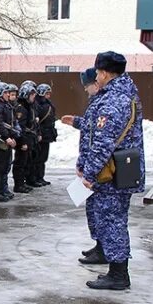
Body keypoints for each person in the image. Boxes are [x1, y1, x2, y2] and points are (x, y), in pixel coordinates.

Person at [75, 52, 145, 290]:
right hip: (120, 168)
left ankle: (118, 274)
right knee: (110, 219)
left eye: (97, 72)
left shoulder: (114, 100)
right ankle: (115, 267)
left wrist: (89, 174)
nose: (96, 76)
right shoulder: (124, 94)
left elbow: (104, 142)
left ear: (104, 73)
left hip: (112, 172)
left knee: (112, 220)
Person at [63, 68, 106, 264]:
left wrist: (87, 169)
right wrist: (76, 122)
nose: (86, 90)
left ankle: (104, 249)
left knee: (100, 210)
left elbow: (98, 140)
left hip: (97, 168)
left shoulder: (104, 104)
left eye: (87, 86)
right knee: (93, 208)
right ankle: (100, 246)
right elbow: (90, 128)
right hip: (91, 165)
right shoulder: (96, 102)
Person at [32, 83, 57, 186]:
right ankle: (36, 177)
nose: (48, 95)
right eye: (46, 93)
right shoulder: (37, 104)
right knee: (37, 158)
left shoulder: (47, 103)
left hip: (47, 134)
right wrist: (39, 133)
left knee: (43, 158)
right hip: (41, 134)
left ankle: (40, 177)